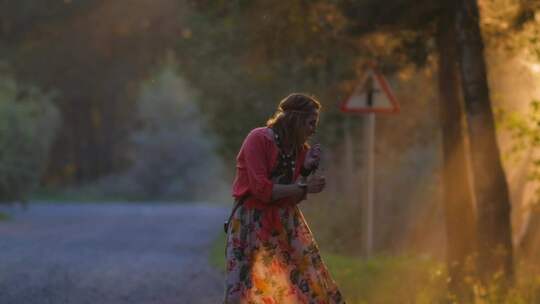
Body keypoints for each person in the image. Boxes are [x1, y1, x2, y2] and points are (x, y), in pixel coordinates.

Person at [224, 93, 345, 303]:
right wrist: (304, 187)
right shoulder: (258, 139)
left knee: (311, 281)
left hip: (286, 222)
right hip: (250, 223)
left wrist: (305, 170)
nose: (313, 129)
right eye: (310, 123)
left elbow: (290, 197)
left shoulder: (299, 150)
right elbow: (262, 190)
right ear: (295, 119)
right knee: (242, 289)